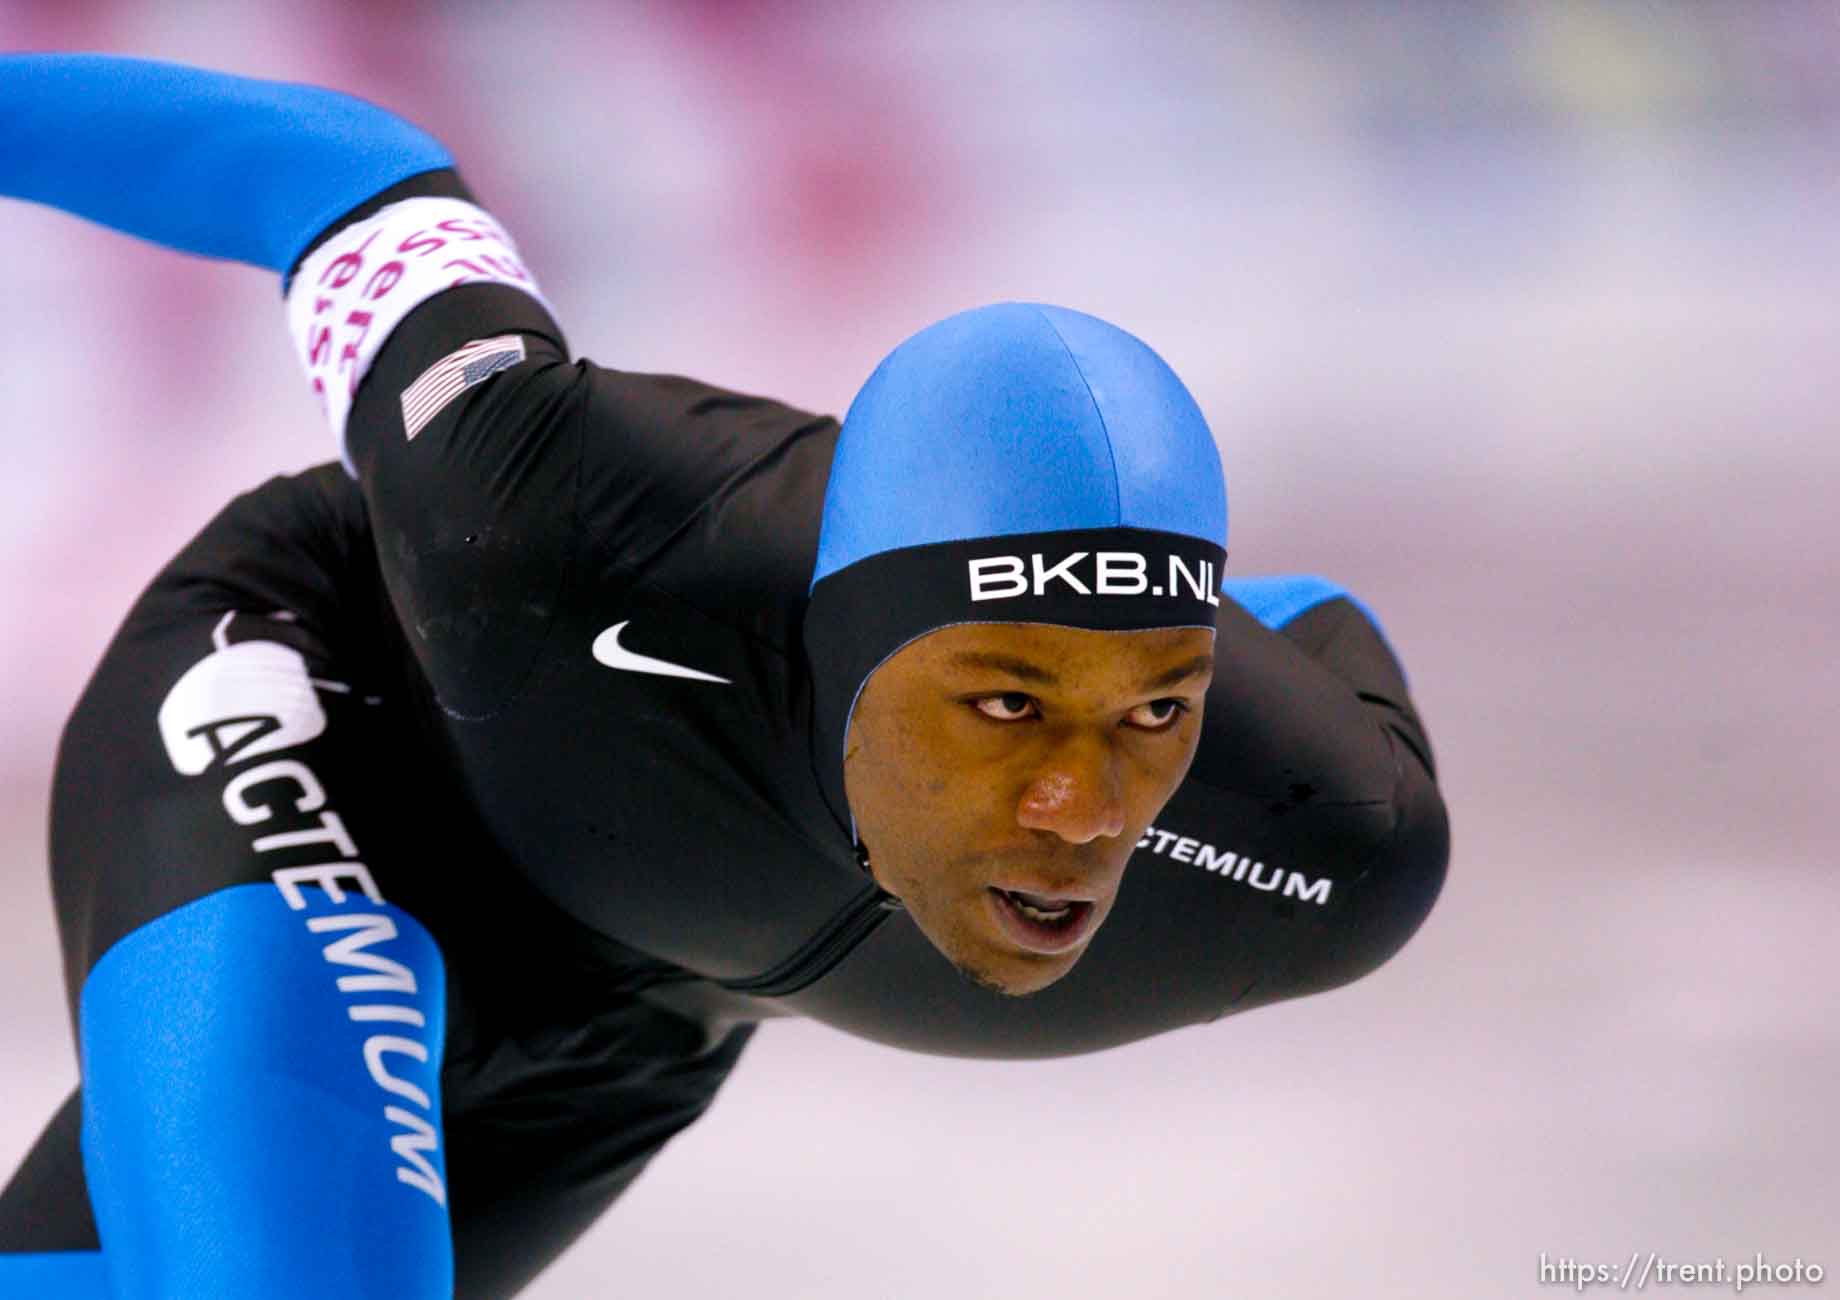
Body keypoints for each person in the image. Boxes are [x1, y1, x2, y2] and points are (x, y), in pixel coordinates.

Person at [0, 54, 1448, 1300]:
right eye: (1003, 702)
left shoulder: (1326, 847)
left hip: (636, 1013)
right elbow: (328, 175)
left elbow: (1311, 623)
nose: (1079, 805)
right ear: (828, 642)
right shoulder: (542, 506)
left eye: (1154, 711)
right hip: (336, 728)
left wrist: (1148, 680)